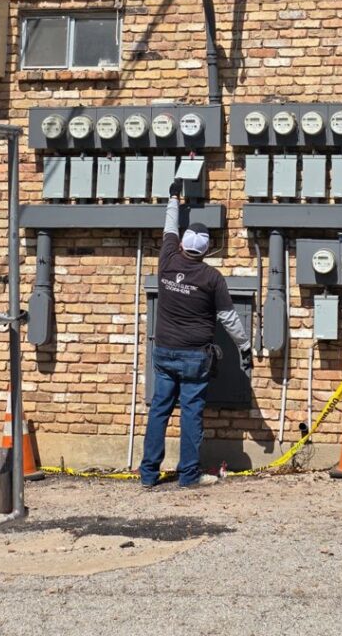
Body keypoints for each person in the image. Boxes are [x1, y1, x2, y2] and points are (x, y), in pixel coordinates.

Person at [139, 179, 252, 489]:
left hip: (164, 352)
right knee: (191, 414)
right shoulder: (212, 277)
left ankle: (149, 474)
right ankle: (188, 476)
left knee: (159, 410)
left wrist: (174, 196)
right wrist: (244, 346)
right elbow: (229, 317)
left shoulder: (167, 259)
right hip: (194, 357)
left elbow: (169, 226)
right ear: (206, 250)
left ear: (182, 244)